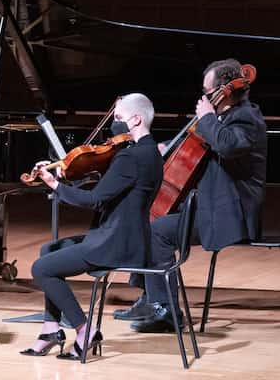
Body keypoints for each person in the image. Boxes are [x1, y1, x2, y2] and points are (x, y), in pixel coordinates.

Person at [116, 58, 267, 332]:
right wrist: (167, 149)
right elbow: (197, 151)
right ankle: (151, 298)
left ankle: (168, 312)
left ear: (225, 90)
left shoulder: (247, 118)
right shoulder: (224, 118)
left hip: (231, 213)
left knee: (157, 231)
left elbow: (227, 145)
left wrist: (207, 116)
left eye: (207, 92)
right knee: (148, 221)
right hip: (209, 206)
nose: (204, 97)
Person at [20, 93, 162, 360]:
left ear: (136, 119)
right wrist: (63, 179)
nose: (113, 126)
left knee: (41, 269)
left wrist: (54, 186)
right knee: (48, 250)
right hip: (130, 237)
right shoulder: (150, 151)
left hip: (115, 242)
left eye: (118, 118)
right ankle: (51, 328)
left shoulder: (130, 158)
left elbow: (95, 199)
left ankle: (85, 330)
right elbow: (110, 190)